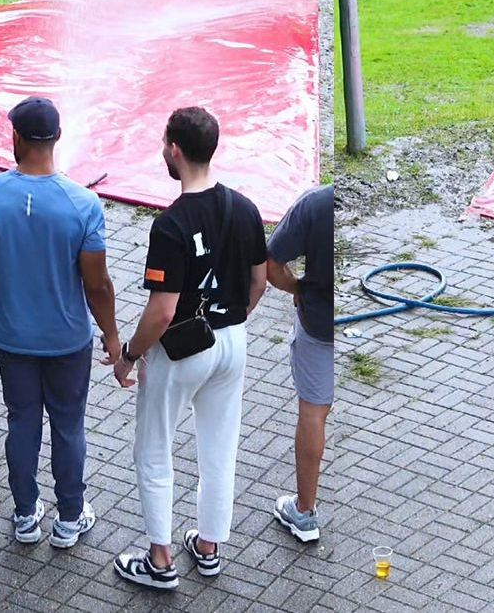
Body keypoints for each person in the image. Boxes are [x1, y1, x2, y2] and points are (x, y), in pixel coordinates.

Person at [111, 107, 267, 590]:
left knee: (155, 446)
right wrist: (230, 322)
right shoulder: (245, 208)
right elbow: (259, 281)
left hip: (180, 350)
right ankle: (209, 545)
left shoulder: (170, 225)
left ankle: (160, 560)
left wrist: (130, 355)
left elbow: (161, 311)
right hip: (233, 342)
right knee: (220, 446)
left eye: (164, 145)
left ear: (175, 151)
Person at [0, 96, 121, 548]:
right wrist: (111, 334)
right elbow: (98, 283)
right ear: (57, 139)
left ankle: (26, 516)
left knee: (22, 422)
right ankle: (70, 518)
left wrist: (7, 260)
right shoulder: (84, 204)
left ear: (15, 138)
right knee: (69, 426)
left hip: (12, 337)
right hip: (68, 339)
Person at [267, 185, 335, 543]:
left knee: (313, 411)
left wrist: (298, 289)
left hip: (320, 326)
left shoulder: (316, 205)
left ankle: (305, 513)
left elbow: (271, 263)